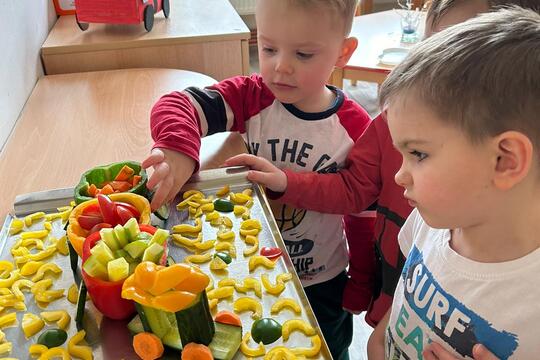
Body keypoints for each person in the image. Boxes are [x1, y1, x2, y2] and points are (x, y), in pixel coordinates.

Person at [224, 0, 540, 328]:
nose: (401, 175)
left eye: (418, 154)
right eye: (436, 49)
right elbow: (362, 203)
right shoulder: (421, 224)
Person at [142, 1, 372, 358]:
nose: (281, 65)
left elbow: (364, 211)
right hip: (253, 269)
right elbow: (178, 104)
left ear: (342, 52)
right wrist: (179, 149)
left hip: (322, 278)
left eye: (304, 54)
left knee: (328, 349)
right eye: (267, 48)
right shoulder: (253, 97)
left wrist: (361, 280)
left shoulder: (356, 129)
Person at [366, 7, 540, 359]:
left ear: (504, 160)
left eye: (419, 154)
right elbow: (405, 298)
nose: (400, 175)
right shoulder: (432, 221)